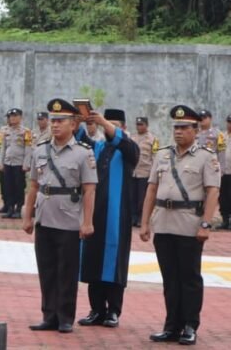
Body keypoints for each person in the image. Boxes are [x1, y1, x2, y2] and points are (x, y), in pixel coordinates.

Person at [140, 105, 220, 346]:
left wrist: (206, 223)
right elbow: (152, 189)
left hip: (188, 224)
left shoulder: (207, 156)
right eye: (176, 127)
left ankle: (189, 325)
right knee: (169, 278)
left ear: (196, 130)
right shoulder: (163, 154)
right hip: (163, 222)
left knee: (189, 278)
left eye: (184, 127)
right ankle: (171, 325)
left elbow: (213, 191)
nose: (178, 132)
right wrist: (145, 222)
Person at [23, 98, 97, 334]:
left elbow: (89, 189)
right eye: (53, 120)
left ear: (74, 125)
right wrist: (28, 216)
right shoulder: (40, 150)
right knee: (46, 269)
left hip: (68, 219)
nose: (55, 125)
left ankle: (65, 317)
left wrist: (87, 221)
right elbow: (33, 186)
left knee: (66, 271)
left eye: (60, 121)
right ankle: (49, 315)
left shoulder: (83, 153)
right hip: (44, 217)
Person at [77, 108, 139, 329]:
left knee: (114, 263)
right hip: (94, 213)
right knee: (92, 259)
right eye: (104, 123)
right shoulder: (98, 147)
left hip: (117, 214)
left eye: (111, 124)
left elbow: (123, 143)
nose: (105, 127)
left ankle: (113, 310)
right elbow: (80, 139)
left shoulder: (128, 148)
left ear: (121, 126)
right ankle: (97, 309)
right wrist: (79, 119)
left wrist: (103, 121)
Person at [0, 106, 33, 219]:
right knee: (8, 186)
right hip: (8, 163)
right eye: (11, 116)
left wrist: (26, 163)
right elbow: (2, 148)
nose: (12, 118)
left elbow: (28, 149)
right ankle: (10, 208)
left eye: (15, 116)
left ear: (20, 118)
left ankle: (18, 208)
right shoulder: (5, 131)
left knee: (19, 187)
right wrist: (0, 162)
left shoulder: (25, 131)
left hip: (19, 164)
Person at [130, 116, 159, 228]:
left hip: (145, 172)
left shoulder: (153, 139)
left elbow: (155, 157)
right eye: (138, 124)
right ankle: (133, 218)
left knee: (142, 198)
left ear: (147, 125)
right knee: (132, 197)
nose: (139, 127)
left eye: (141, 124)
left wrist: (154, 174)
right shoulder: (132, 137)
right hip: (133, 172)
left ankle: (141, 219)